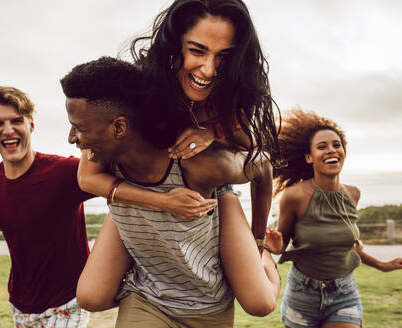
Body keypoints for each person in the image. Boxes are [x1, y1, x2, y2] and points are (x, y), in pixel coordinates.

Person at [75, 0, 281, 313]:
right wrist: (160, 202)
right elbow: (87, 177)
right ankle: (143, 279)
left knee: (260, 303)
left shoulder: (227, 104)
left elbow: (261, 160)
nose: (209, 70)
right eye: (197, 51)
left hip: (207, 201)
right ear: (173, 47)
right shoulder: (128, 92)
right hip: (136, 200)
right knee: (92, 297)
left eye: (223, 57)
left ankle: (264, 263)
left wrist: (259, 245)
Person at [265, 109, 402, 328]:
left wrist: (382, 264)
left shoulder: (353, 194)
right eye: (321, 146)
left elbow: (347, 245)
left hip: (344, 292)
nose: (331, 150)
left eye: (336, 144)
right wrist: (275, 247)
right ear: (309, 157)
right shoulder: (295, 196)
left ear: (343, 151)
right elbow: (280, 245)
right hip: (303, 294)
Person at [0, 86, 95, 327]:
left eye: (17, 120)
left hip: (68, 301)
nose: (8, 130)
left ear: (31, 125)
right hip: (20, 304)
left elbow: (126, 176)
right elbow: (15, 217)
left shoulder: (65, 171)